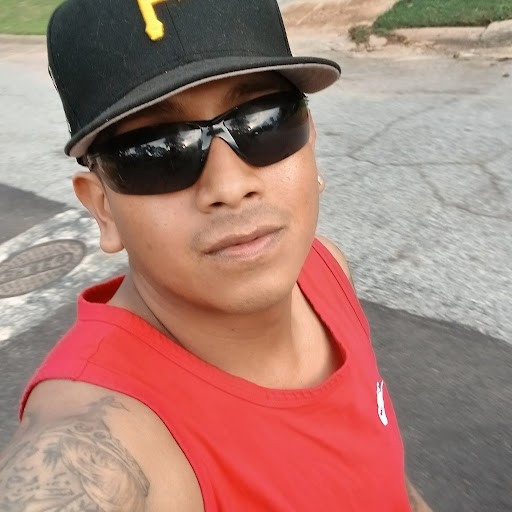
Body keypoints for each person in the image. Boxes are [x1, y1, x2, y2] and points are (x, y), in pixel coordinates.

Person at [0, 0, 433, 510]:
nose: (229, 187)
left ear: (310, 139)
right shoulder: (96, 441)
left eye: (265, 121)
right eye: (158, 151)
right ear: (103, 209)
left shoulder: (325, 269)